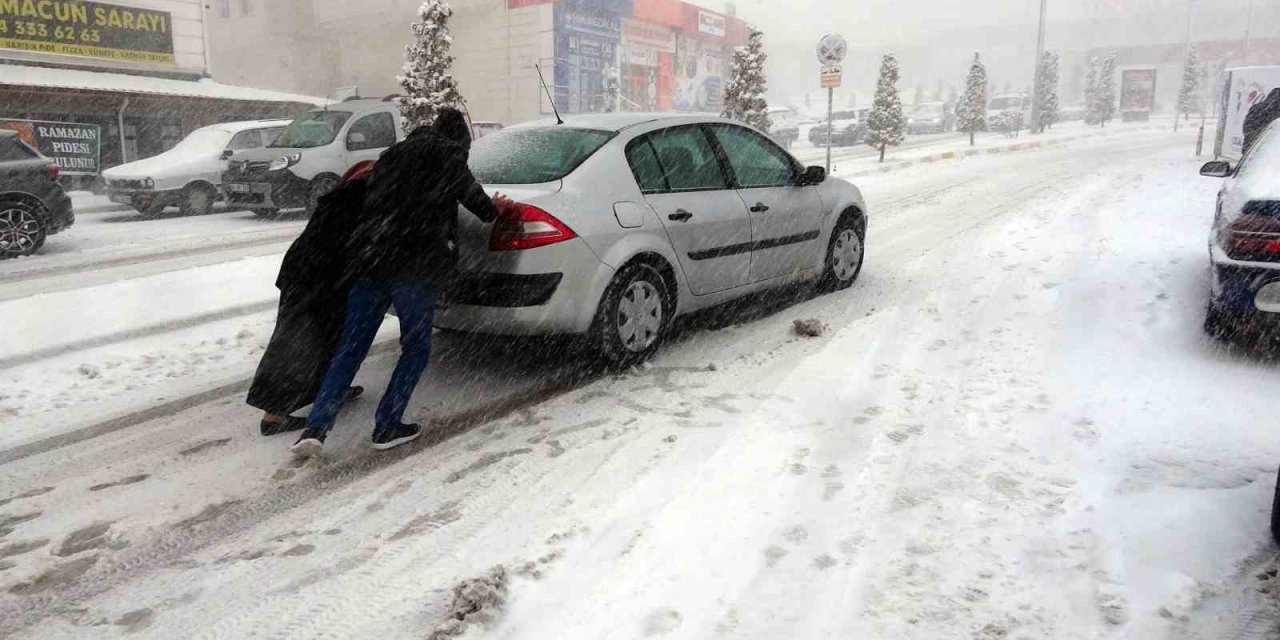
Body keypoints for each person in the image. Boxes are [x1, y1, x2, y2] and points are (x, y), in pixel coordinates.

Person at [290, 108, 513, 457]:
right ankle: (388, 425)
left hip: (369, 261)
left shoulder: (390, 156)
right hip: (413, 268)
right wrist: (496, 207)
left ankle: (316, 428)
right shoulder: (448, 157)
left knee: (350, 348)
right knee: (415, 347)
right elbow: (481, 207)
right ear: (460, 140)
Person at [246, 161, 375, 435]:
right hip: (315, 277)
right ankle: (274, 415)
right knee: (298, 343)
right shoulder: (362, 200)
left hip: (310, 272)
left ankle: (332, 388)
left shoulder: (343, 195)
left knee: (329, 336)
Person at [1244, 89, 1280, 155]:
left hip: (1250, 152)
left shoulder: (1256, 109)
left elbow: (1247, 129)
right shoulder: (1274, 114)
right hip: (1263, 155)